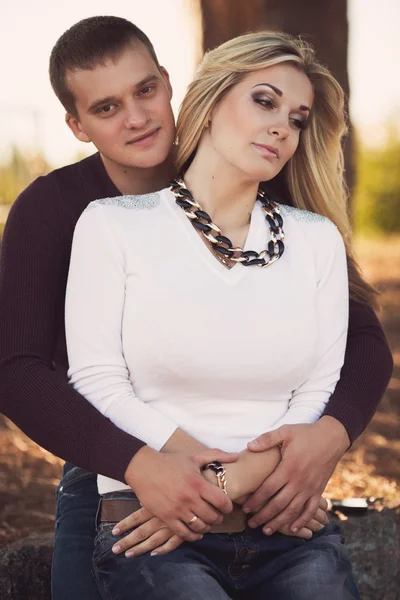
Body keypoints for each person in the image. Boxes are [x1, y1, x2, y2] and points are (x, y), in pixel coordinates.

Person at [0, 16, 392, 600]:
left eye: (146, 91)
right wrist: (143, 466)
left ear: (170, 83)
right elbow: (19, 371)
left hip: (262, 458)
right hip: (110, 443)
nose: (137, 117)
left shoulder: (261, 178)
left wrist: (322, 442)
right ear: (76, 125)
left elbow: (360, 344)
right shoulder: (63, 211)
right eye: (106, 108)